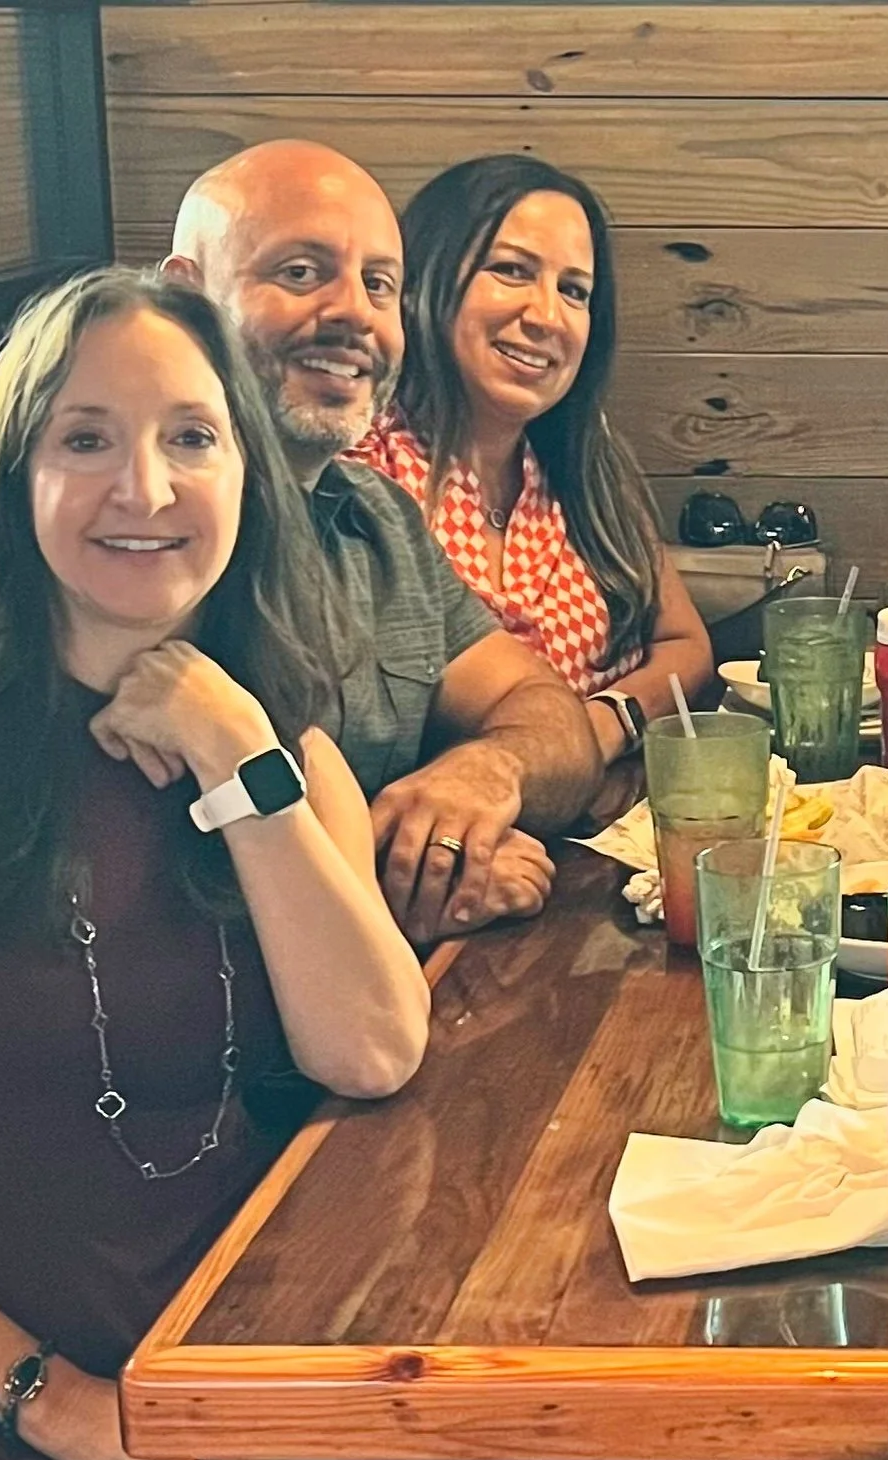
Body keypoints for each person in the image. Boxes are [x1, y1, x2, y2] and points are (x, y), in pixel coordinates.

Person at [0, 269, 664, 1460]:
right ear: (16, 480)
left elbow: (372, 1047)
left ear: (246, 481)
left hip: (238, 1370)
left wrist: (238, 758)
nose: (144, 487)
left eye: (192, 440)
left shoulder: (276, 732)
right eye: (86, 440)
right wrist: (45, 1399)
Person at [166, 140, 606, 946]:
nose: (353, 315)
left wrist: (487, 772)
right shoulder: (143, 539)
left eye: (378, 285)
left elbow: (550, 716)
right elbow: (164, 885)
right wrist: (418, 874)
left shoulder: (377, 515)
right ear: (185, 297)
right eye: (300, 273)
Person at [349, 154, 714, 768]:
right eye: (512, 271)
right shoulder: (361, 469)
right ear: (424, 281)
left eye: (574, 290)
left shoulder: (580, 462)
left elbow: (685, 643)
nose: (547, 317)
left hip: (601, 838)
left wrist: (602, 725)